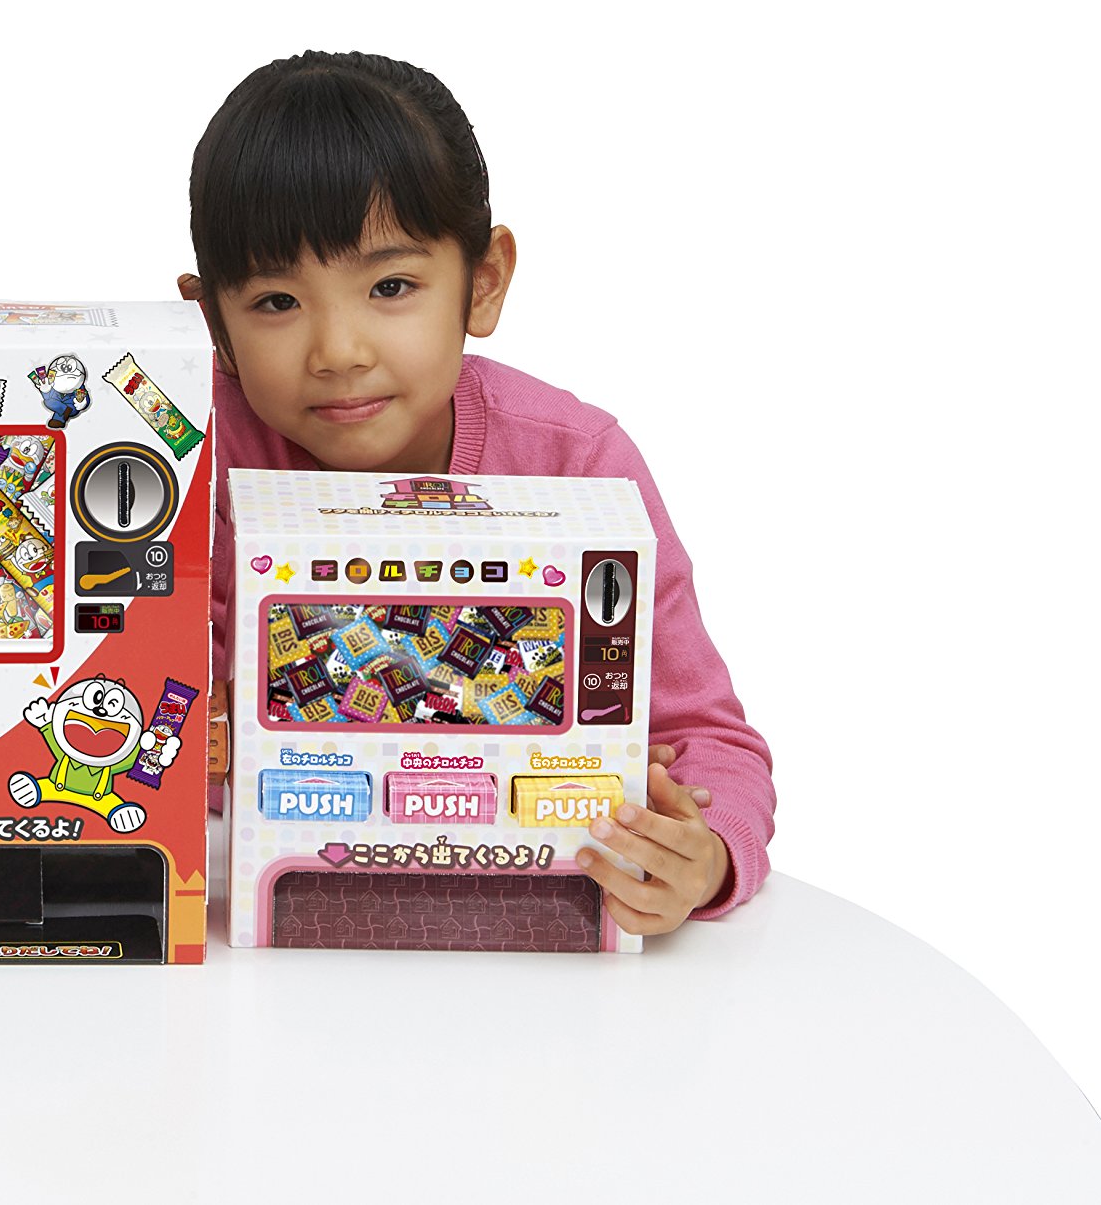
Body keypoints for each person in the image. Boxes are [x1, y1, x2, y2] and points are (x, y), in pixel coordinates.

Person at [185, 51, 773, 935]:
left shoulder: (574, 465)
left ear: (484, 282)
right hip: (259, 917)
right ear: (211, 323)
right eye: (276, 301)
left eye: (390, 287)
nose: (338, 351)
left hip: (524, 913)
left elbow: (711, 741)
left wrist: (706, 855)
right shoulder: (179, 459)